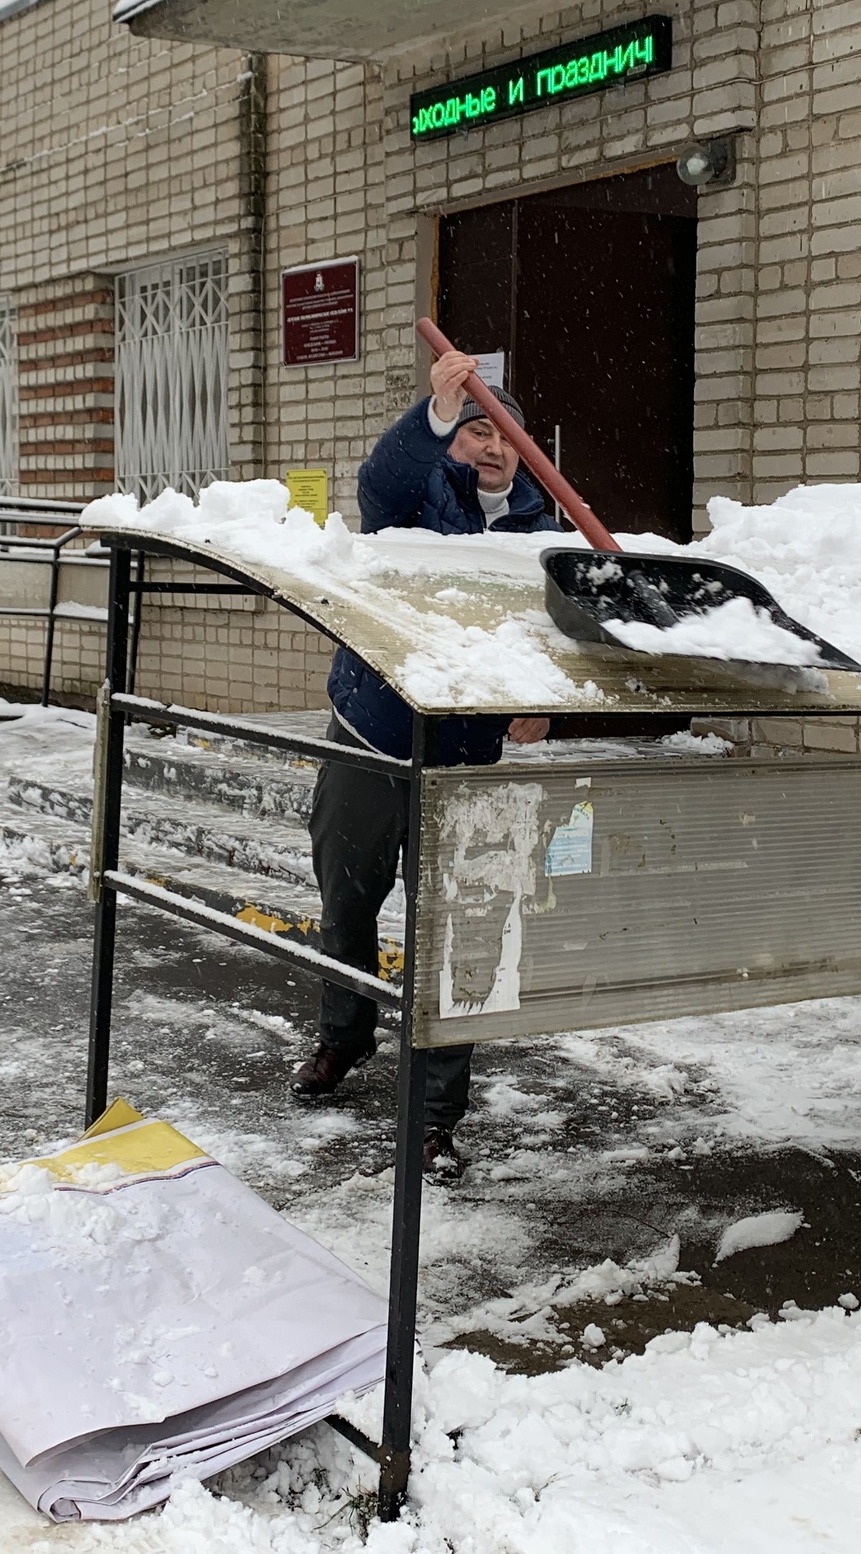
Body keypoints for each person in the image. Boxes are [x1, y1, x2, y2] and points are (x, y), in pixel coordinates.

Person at [297, 348, 556, 1184]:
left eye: (507, 435)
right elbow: (383, 477)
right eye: (478, 429)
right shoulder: (412, 499)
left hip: (467, 759)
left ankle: (438, 1117)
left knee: (462, 936)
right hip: (372, 733)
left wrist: (542, 701)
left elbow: (555, 633)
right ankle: (343, 1038)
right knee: (349, 896)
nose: (494, 447)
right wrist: (436, 412)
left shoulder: (540, 532)